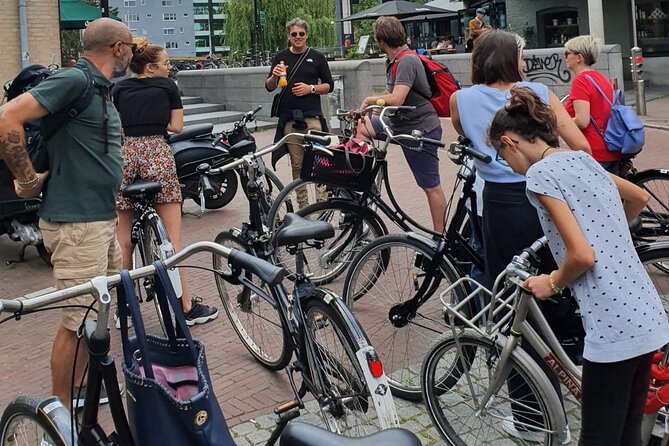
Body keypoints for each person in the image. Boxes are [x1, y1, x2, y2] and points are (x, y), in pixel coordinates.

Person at [489, 86, 669, 446]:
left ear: (510, 142)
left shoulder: (540, 175)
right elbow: (638, 196)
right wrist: (609, 232)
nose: (507, 165)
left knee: (598, 438)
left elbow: (581, 256)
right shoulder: (582, 159)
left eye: (501, 156)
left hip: (612, 325)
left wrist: (552, 282)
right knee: (628, 432)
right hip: (646, 313)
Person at [450, 29, 590, 443]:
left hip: (500, 206)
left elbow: (465, 133)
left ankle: (531, 417)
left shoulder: (462, 99)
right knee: (560, 288)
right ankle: (574, 372)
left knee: (513, 304)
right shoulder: (540, 93)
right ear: (514, 58)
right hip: (548, 198)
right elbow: (580, 144)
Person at [0, 18, 133, 409]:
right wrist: (25, 178)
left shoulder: (101, 87)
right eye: (129, 46)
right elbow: (8, 116)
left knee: (96, 311)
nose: (131, 53)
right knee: (76, 320)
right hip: (76, 224)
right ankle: (59, 411)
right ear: (117, 48)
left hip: (99, 219)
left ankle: (79, 387)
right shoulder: (76, 79)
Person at [112, 37, 218, 326]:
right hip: (157, 154)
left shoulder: (118, 88)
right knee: (173, 239)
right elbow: (176, 126)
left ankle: (125, 310)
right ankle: (185, 306)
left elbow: (116, 124)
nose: (170, 67)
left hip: (127, 154)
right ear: (149, 67)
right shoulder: (168, 87)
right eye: (166, 63)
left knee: (123, 242)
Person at [356, 16, 447, 233]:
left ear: (381, 40)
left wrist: (369, 100)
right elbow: (392, 96)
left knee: (430, 186)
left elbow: (397, 98)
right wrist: (376, 109)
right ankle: (365, 182)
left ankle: (439, 237)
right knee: (362, 126)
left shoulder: (407, 60)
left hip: (420, 128)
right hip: (399, 123)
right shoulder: (394, 61)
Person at [265, 18, 334, 208]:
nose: (298, 37)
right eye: (294, 34)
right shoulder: (280, 57)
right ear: (288, 36)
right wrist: (274, 76)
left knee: (319, 162)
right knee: (297, 165)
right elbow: (269, 87)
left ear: (307, 35)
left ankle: (323, 207)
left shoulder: (317, 57)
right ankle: (303, 208)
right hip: (290, 120)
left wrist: (310, 88)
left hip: (312, 118)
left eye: (301, 34)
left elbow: (329, 85)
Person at [564, 35, 621, 174]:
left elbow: (582, 121)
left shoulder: (581, 81)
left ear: (579, 57)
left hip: (593, 151)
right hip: (611, 147)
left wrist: (561, 124)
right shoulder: (600, 78)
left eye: (567, 53)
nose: (564, 56)